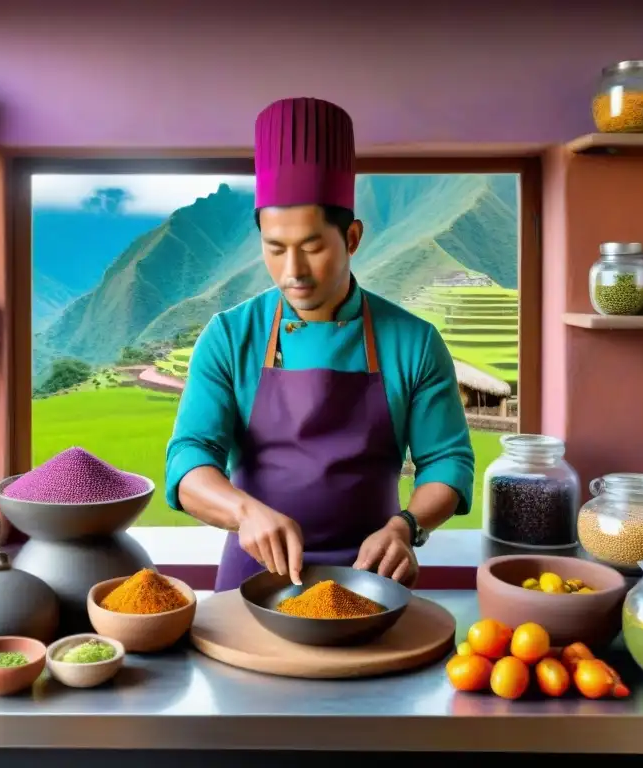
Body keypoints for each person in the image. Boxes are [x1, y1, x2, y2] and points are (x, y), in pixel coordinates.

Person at [164, 97, 475, 592]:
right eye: (275, 249)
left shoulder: (414, 342)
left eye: (312, 248)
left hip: (371, 579)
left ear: (351, 237)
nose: (294, 273)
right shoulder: (229, 337)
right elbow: (187, 461)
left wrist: (406, 526)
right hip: (253, 579)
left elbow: (448, 462)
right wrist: (244, 512)